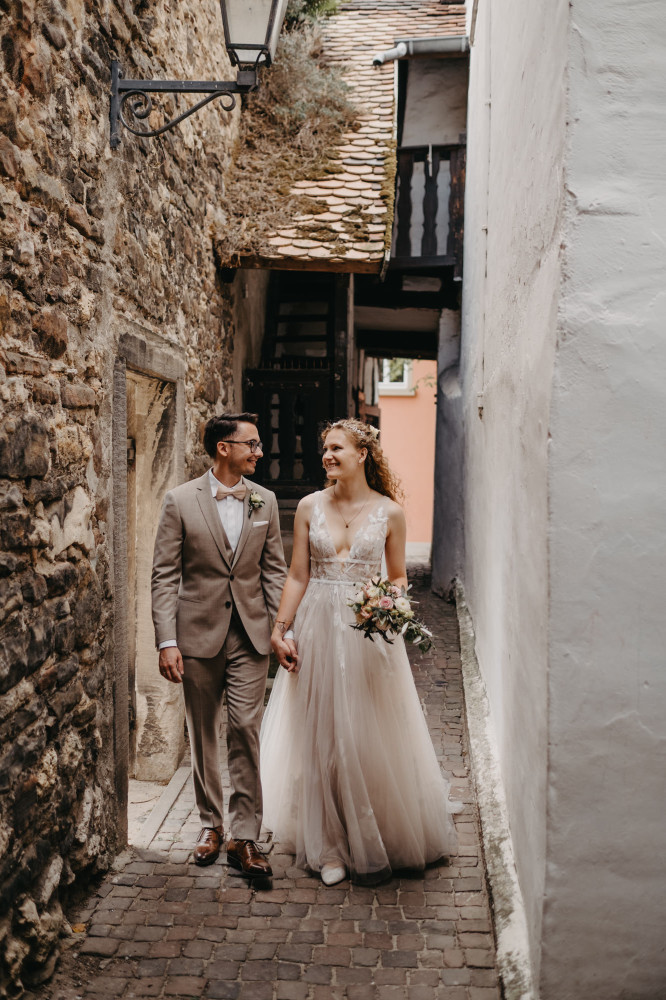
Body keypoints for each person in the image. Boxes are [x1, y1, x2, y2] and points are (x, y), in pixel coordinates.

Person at [261, 418, 459, 886]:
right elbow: (297, 576)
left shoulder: (389, 512)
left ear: (362, 454)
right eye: (324, 449)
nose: (327, 456)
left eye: (336, 448)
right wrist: (280, 629)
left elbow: (397, 578)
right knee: (322, 733)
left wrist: (390, 608)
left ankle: (373, 830)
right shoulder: (309, 507)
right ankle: (329, 846)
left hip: (369, 632)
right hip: (317, 628)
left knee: (367, 731)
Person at [151, 412, 287, 875]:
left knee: (245, 729)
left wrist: (280, 630)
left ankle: (245, 836)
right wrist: (167, 641)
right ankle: (211, 824)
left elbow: (274, 571)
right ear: (224, 448)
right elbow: (165, 575)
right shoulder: (179, 500)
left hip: (250, 636)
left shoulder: (264, 501)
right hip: (195, 635)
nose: (260, 451)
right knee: (203, 732)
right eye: (251, 443)